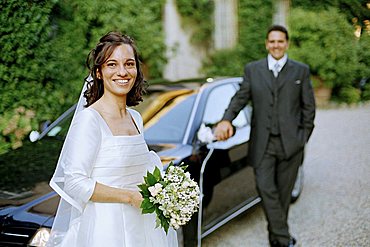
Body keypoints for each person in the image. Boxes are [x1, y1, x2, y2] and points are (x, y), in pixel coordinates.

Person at [47, 32, 178, 247]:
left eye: (129, 64)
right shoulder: (90, 120)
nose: (122, 72)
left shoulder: (135, 117)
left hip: (142, 224)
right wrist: (129, 197)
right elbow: (74, 182)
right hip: (106, 228)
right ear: (99, 72)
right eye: (112, 65)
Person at [214, 25, 315, 247]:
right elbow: (240, 98)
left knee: (283, 194)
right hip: (263, 144)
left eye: (280, 41)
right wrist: (225, 119)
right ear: (266, 44)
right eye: (272, 41)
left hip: (291, 145)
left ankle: (276, 239)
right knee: (266, 189)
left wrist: (302, 138)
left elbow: (309, 109)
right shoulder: (253, 69)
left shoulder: (300, 71)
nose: (276, 45)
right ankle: (284, 237)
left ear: (286, 43)